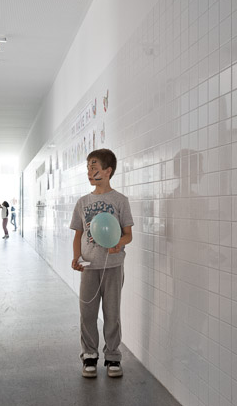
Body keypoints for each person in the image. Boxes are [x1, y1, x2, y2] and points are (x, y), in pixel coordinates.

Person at [69, 148, 133, 379]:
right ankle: (89, 355)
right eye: (88, 168)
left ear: (108, 171)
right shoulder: (83, 202)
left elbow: (128, 235)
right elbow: (78, 234)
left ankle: (113, 356)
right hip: (89, 266)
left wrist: (117, 244)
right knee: (87, 313)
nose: (90, 172)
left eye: (94, 168)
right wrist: (76, 258)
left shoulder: (120, 201)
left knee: (112, 313)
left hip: (113, 266)